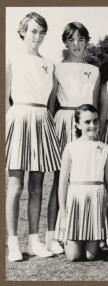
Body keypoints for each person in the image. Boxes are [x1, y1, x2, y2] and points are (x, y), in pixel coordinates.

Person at [6, 12, 61, 261]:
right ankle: (13, 242)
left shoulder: (50, 65)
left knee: (37, 187)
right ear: (22, 32)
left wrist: (43, 123)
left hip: (41, 121)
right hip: (18, 118)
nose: (36, 36)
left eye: (41, 32)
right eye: (32, 31)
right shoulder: (11, 59)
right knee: (16, 186)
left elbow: (50, 103)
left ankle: (34, 240)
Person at [47, 22, 100, 254]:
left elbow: (95, 104)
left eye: (81, 39)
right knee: (61, 178)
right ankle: (52, 235)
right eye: (72, 40)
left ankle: (88, 231)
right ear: (65, 42)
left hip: (86, 123)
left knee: (86, 178)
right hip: (64, 120)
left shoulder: (95, 70)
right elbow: (50, 104)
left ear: (87, 41)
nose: (77, 44)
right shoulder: (56, 67)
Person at [54, 104, 108, 261]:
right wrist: (65, 214)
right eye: (87, 122)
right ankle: (71, 237)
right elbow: (62, 185)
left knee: (90, 256)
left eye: (95, 121)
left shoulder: (105, 148)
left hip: (96, 199)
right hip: (76, 201)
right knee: (73, 257)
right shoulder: (70, 147)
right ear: (78, 124)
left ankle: (92, 239)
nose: (92, 126)